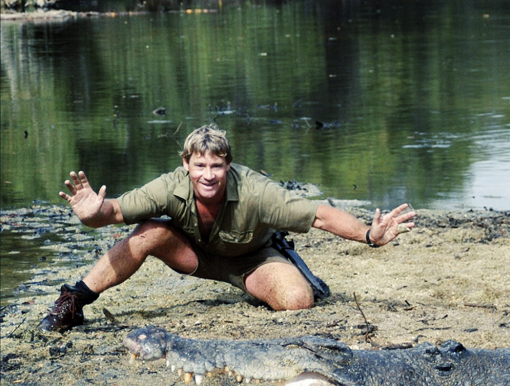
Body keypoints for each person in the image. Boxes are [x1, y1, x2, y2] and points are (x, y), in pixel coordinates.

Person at [39, 125, 416, 333]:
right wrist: (91, 213)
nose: (208, 175)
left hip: (251, 261)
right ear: (186, 163)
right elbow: (116, 211)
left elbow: (318, 215)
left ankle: (266, 286)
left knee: (299, 302)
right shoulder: (170, 185)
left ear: (228, 165)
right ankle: (74, 302)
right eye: (200, 166)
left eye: (216, 167)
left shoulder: (256, 191)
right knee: (149, 230)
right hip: (195, 255)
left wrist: (369, 234)